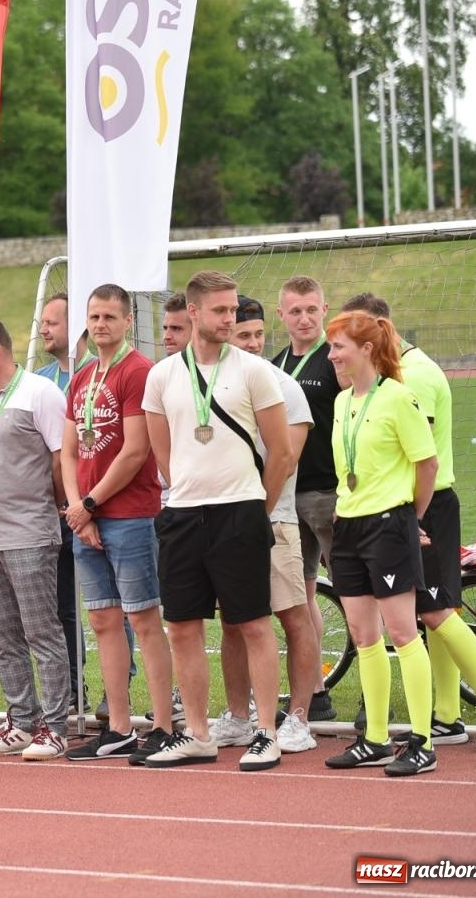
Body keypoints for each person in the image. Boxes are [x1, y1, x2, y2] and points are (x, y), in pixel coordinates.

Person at [339, 293, 476, 754]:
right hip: (400, 507)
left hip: (420, 505)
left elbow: (418, 457)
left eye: (350, 336)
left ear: (377, 329)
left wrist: (406, 520)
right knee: (427, 610)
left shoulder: (409, 377)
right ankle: (446, 715)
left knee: (436, 610)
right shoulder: (378, 382)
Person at [141, 271, 293, 770]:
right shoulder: (162, 375)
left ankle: (266, 732)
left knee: (251, 623)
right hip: (183, 516)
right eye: (221, 311)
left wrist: (255, 507)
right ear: (193, 312)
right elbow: (163, 457)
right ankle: (200, 734)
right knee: (182, 628)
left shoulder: (253, 370)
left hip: (241, 513)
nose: (230, 319)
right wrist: (189, 491)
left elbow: (283, 452)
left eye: (233, 311)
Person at [320, 310, 438, 775]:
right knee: (364, 637)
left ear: (366, 350)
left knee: (404, 633)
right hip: (347, 526)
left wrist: (412, 517)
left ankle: (423, 740)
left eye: (338, 347)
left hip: (388, 526)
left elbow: (425, 464)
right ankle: (374, 740)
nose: (331, 355)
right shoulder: (342, 400)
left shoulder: (398, 398)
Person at [58, 286, 174, 764]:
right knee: (102, 620)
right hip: (86, 517)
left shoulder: (139, 372)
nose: (100, 324)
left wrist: (88, 502)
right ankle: (120, 726)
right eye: (93, 316)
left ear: (128, 322)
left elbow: (135, 452)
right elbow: (67, 451)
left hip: (128, 514)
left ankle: (165, 725)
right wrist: (75, 509)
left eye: (109, 316)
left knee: (143, 619)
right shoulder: (82, 376)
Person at [0, 317, 71, 761]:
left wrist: (55, 505)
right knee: (2, 635)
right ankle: (21, 721)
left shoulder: (40, 393)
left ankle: (56, 726)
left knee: (41, 631)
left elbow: (63, 459)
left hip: (30, 532)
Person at [213, 295, 320, 757]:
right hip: (222, 522)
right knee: (233, 623)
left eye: (259, 335)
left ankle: (298, 717)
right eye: (244, 336)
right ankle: (238, 717)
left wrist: (255, 514)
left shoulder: (283, 387)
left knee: (293, 616)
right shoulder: (213, 383)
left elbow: (286, 457)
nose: (254, 344)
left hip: (273, 521)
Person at [270, 276, 341, 723]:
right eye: (295, 310)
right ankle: (316, 692)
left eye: (311, 309)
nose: (304, 318)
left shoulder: (335, 359)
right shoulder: (273, 365)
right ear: (282, 316)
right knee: (302, 597)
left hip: (331, 493)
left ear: (324, 309)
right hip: (289, 497)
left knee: (357, 594)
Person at [32, 293, 83, 701]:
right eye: (42, 322)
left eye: (51, 322)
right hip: (52, 512)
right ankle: (71, 686)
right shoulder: (41, 380)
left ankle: (118, 687)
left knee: (111, 605)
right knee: (59, 605)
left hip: (97, 505)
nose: (43, 329)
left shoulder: (98, 373)